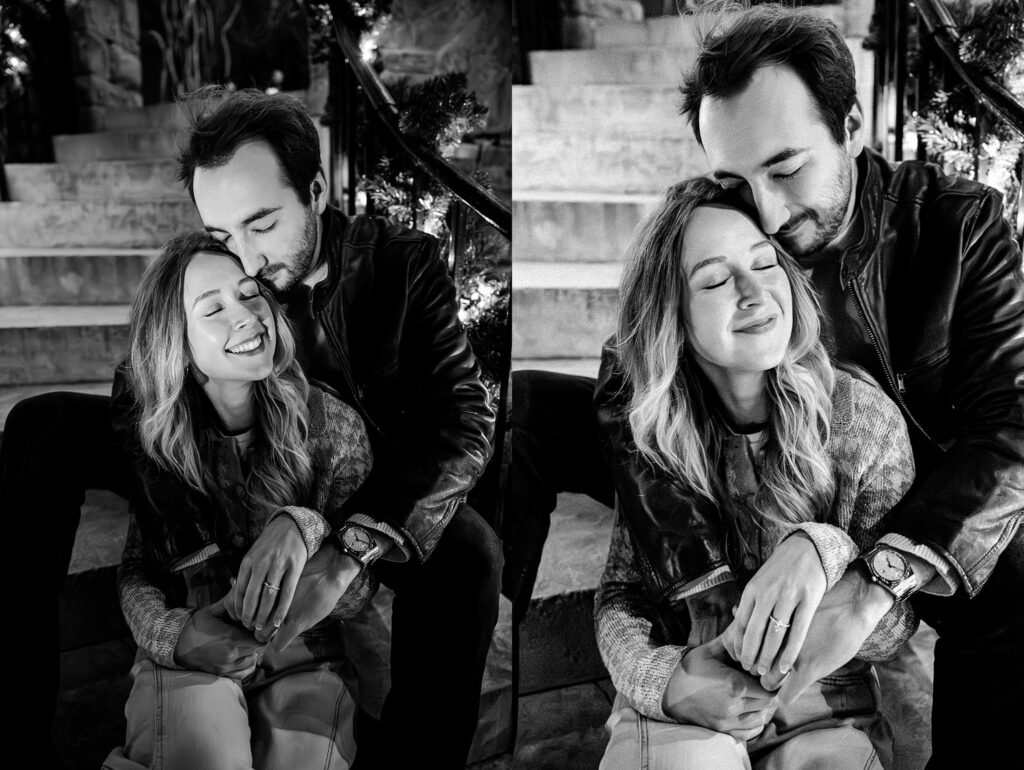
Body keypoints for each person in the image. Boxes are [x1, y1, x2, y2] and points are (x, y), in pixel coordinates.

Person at [507, 3, 1024, 766]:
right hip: (722, 450)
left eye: (786, 169)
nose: (768, 213)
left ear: (852, 126)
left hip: (895, 497)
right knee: (527, 412)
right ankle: (495, 668)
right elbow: (635, 367)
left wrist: (872, 570)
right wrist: (703, 575)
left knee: (1016, 579)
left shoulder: (955, 224)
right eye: (736, 180)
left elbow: (1011, 422)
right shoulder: (730, 226)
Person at [1, 86, 501, 769]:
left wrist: (346, 541)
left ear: (317, 188)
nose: (249, 260)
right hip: (209, 450)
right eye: (222, 235)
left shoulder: (398, 265)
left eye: (261, 223)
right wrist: (194, 530)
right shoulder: (230, 274)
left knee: (470, 551)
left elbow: (463, 416)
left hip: (344, 481)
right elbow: (144, 377)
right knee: (42, 423)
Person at [596, 176, 915, 769]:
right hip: (689, 691)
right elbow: (622, 595)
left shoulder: (863, 420)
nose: (753, 293)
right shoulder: (653, 436)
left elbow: (894, 624)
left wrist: (825, 550)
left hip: (827, 701)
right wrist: (664, 682)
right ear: (673, 317)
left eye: (765, 265)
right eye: (715, 279)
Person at [103, 232, 373, 769]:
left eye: (250, 293)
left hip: (306, 658)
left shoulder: (332, 426)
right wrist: (174, 637)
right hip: (189, 646)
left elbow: (358, 590)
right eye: (214, 309)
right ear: (177, 347)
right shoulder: (156, 444)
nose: (247, 315)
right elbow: (139, 568)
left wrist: (306, 527)